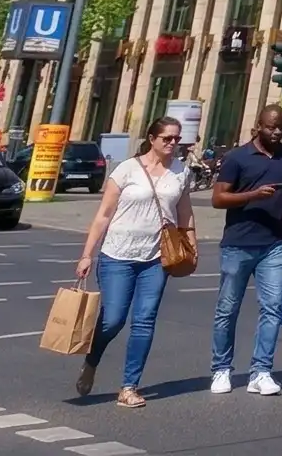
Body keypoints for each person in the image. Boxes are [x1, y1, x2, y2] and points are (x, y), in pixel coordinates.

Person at [74, 116, 193, 408]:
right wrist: (87, 254)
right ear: (152, 138)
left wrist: (192, 245)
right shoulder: (126, 170)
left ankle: (129, 386)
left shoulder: (181, 173)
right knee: (113, 320)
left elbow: (185, 214)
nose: (173, 143)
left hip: (156, 258)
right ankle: (92, 360)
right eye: (167, 138)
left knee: (144, 321)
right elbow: (103, 214)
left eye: (177, 138)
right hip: (117, 255)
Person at [209, 103, 282, 396]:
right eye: (270, 127)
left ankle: (261, 371)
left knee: (272, 308)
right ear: (257, 128)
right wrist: (252, 195)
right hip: (238, 243)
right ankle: (221, 369)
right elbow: (218, 198)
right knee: (227, 309)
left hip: (273, 244)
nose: (275, 132)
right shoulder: (237, 157)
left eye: (280, 127)